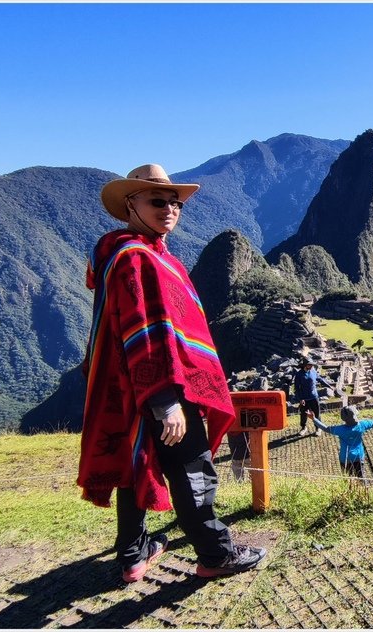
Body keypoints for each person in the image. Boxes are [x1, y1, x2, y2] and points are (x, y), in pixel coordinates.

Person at [78, 164, 265, 582]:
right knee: (191, 465)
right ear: (131, 204)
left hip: (134, 386)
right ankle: (215, 555)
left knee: (137, 459)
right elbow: (144, 332)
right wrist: (166, 401)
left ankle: (133, 554)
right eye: (157, 201)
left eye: (174, 202)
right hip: (163, 386)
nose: (169, 209)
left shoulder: (137, 254)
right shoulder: (135, 259)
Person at [310, 404, 373, 480]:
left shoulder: (340, 429)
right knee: (362, 478)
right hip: (359, 457)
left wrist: (314, 419)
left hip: (345, 458)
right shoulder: (362, 425)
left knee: (348, 480)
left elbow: (325, 428)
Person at [294, 357, 326, 437]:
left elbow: (320, 379)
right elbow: (297, 388)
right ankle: (303, 427)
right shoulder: (299, 374)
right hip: (304, 398)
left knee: (316, 413)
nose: (311, 366)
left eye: (312, 364)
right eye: (309, 365)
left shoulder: (313, 371)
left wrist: (329, 385)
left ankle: (318, 428)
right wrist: (300, 399)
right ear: (305, 365)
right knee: (303, 414)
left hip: (314, 396)